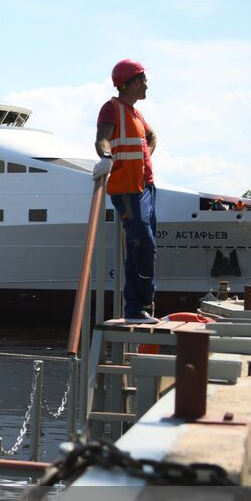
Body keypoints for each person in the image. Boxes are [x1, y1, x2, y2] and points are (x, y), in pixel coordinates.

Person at [92, 59, 158, 322]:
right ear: (128, 83)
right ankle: (139, 304)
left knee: (140, 246)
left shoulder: (135, 113)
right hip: (127, 189)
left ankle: (138, 308)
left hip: (146, 188)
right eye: (142, 78)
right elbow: (102, 138)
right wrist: (107, 157)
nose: (146, 84)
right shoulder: (112, 108)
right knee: (144, 245)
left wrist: (145, 159)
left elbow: (152, 137)